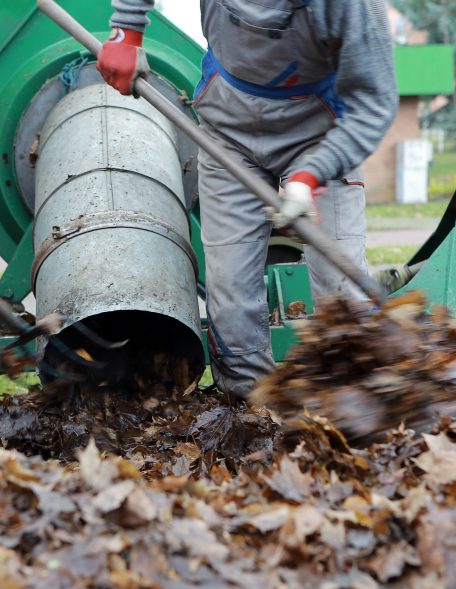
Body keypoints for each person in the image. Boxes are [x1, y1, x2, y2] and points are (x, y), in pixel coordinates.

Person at [97, 0, 398, 397]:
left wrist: (312, 174)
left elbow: (375, 104)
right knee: (232, 300)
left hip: (320, 135)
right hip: (229, 130)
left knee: (343, 292)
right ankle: (250, 409)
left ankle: (354, 406)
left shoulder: (355, 7)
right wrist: (127, 31)